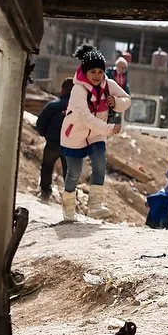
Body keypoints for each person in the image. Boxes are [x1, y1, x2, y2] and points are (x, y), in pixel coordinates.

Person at [60, 45, 130, 221]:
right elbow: (85, 118)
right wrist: (108, 129)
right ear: (85, 71)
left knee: (100, 163)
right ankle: (68, 208)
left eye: (100, 71)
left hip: (96, 134)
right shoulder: (78, 90)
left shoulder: (109, 84)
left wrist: (116, 102)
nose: (97, 75)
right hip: (75, 134)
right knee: (74, 172)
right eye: (93, 72)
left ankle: (95, 205)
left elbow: (127, 100)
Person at [35, 78, 74, 202]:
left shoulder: (52, 106)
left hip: (52, 144)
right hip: (70, 146)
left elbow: (40, 123)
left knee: (47, 166)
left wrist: (45, 135)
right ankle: (70, 197)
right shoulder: (79, 109)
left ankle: (45, 192)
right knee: (70, 171)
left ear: (62, 90)